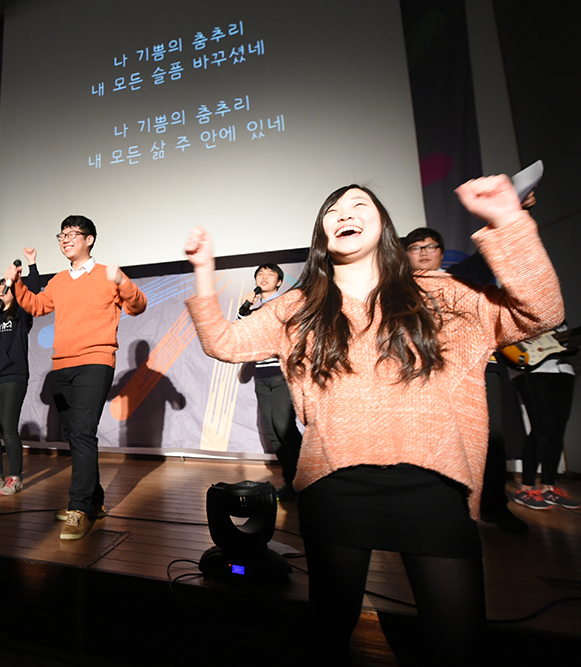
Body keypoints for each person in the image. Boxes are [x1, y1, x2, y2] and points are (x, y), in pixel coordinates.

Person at [184, 176, 562, 663]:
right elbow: (222, 342)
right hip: (334, 483)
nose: (344, 213)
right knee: (327, 634)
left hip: (435, 482)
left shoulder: (442, 294)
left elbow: (542, 312)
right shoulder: (300, 307)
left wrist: (508, 219)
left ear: (383, 225)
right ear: (323, 236)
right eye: (333, 210)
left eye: (359, 205)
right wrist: (203, 271)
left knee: (456, 642)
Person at [6, 215, 147, 540]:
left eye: (72, 234)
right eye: (62, 235)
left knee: (82, 433)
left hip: (95, 363)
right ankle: (94, 501)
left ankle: (78, 508)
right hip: (62, 366)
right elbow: (37, 306)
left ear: (89, 239)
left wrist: (122, 280)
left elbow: (138, 305)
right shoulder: (59, 280)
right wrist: (16, 283)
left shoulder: (107, 275)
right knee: (76, 436)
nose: (66, 239)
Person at [403, 227, 529, 534]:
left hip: (480, 368)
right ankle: (434, 505)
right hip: (429, 373)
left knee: (491, 439)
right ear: (405, 255)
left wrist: (513, 215)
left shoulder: (461, 277)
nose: (423, 252)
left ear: (442, 253)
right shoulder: (398, 291)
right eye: (415, 247)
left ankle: (493, 506)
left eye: (430, 246)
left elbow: (490, 253)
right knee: (429, 440)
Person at [0, 248, 40, 496]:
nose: (2, 290)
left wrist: (31, 264)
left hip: (13, 375)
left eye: (6, 287)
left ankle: (16, 477)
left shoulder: (21, 315)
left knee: (8, 427)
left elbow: (33, 291)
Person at [237, 263, 302, 501]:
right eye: (260, 274)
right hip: (262, 377)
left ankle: (307, 480)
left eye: (270, 274)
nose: (264, 277)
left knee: (285, 428)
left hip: (282, 374)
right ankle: (291, 482)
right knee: (273, 432)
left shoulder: (284, 304)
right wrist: (245, 308)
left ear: (279, 282)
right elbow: (241, 335)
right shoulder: (254, 309)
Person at [510, 322, 578, 510]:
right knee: (542, 428)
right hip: (532, 369)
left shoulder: (560, 319)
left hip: (564, 370)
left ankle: (549, 487)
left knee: (558, 431)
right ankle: (526, 488)